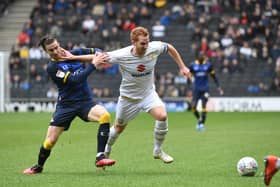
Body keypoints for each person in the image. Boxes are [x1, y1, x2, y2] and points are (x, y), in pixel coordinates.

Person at [23, 35, 115, 174]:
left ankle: (99, 156)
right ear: (46, 52)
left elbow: (99, 51)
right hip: (66, 106)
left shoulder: (75, 53)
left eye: (56, 47)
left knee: (105, 116)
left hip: (85, 102)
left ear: (59, 44)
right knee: (49, 142)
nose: (55, 51)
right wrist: (93, 64)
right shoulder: (52, 68)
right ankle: (39, 166)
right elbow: (75, 80)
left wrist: (79, 57)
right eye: (51, 50)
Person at [103, 26, 191, 163]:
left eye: (147, 42)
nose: (146, 46)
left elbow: (169, 48)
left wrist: (182, 66)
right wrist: (73, 57)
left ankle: (158, 150)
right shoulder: (121, 54)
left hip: (148, 94)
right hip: (128, 99)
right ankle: (106, 150)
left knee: (162, 115)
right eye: (142, 43)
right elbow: (97, 57)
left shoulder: (153, 48)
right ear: (133, 42)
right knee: (118, 129)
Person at [188, 51, 223, 131]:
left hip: (205, 89)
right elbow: (189, 77)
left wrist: (218, 87)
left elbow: (214, 77)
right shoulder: (193, 65)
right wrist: (189, 88)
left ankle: (202, 125)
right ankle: (200, 120)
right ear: (197, 56)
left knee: (204, 106)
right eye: (200, 55)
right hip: (196, 89)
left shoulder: (208, 65)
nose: (202, 56)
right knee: (193, 107)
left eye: (203, 55)